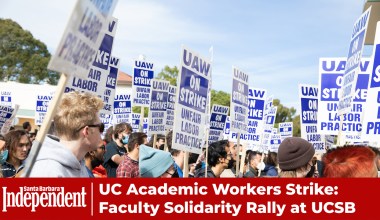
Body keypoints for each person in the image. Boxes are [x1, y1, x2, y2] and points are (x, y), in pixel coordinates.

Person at [29, 91, 104, 177]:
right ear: (86, 131)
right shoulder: (48, 171)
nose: (101, 132)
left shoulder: (79, 164)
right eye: (100, 127)